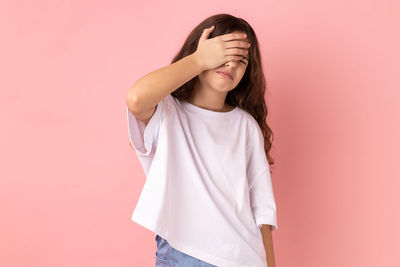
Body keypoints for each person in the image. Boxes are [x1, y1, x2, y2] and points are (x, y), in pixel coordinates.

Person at [125, 13, 278, 267]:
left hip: (247, 258)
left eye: (241, 61)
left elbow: (262, 210)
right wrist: (199, 60)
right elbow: (136, 98)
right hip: (184, 253)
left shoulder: (246, 126)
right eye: (222, 54)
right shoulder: (168, 113)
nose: (230, 65)